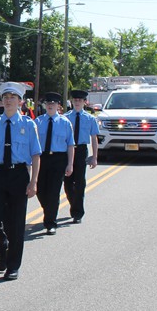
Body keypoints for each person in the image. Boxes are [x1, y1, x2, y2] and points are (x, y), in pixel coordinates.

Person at [0, 82, 41, 281]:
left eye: (13, 97)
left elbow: (36, 155)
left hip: (18, 175)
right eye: (6, 97)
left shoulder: (29, 125)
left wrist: (34, 181)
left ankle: (13, 265)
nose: (9, 100)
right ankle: (1, 246)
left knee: (16, 222)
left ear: (20, 101)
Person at [34, 92, 74, 235]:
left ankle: (51, 223)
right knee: (39, 190)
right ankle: (48, 210)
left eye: (53, 103)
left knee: (53, 191)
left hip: (58, 159)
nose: (50, 106)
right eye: (48, 103)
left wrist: (70, 164)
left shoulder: (65, 123)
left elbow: (70, 145)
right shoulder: (38, 122)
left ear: (58, 106)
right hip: (42, 158)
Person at [64, 89, 99, 223]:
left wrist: (94, 157)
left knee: (79, 183)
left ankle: (77, 213)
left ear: (85, 102)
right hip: (68, 150)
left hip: (81, 151)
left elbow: (94, 138)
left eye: (80, 100)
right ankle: (74, 204)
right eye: (75, 100)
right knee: (67, 183)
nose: (77, 102)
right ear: (72, 102)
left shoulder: (90, 119)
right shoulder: (66, 117)